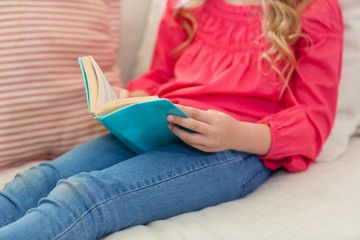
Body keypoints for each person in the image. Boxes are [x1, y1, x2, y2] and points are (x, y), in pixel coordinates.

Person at [0, 0, 343, 239]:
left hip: (236, 147)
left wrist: (236, 134)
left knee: (85, 196)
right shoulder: (187, 4)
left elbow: (313, 122)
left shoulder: (312, 9)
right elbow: (160, 73)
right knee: (41, 178)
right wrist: (133, 97)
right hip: (162, 124)